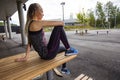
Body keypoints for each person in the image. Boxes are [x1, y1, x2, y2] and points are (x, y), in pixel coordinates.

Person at [15, 3, 78, 74]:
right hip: (48, 54)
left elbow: (29, 43)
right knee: (59, 27)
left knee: (64, 49)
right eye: (42, 11)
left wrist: (26, 57)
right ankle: (69, 49)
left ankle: (64, 68)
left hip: (44, 54)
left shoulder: (31, 24)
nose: (43, 14)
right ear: (36, 11)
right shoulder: (36, 23)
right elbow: (61, 23)